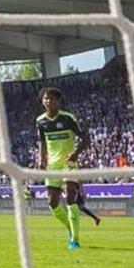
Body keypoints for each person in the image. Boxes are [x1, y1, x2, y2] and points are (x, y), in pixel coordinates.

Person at [35, 86, 89, 250]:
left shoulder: (68, 118)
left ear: (59, 101)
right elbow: (43, 143)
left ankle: (75, 239)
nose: (48, 101)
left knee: (70, 196)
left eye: (51, 98)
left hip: (69, 163)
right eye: (45, 98)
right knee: (52, 202)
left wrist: (75, 154)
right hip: (53, 165)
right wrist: (41, 159)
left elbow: (85, 139)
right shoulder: (40, 121)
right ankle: (70, 228)